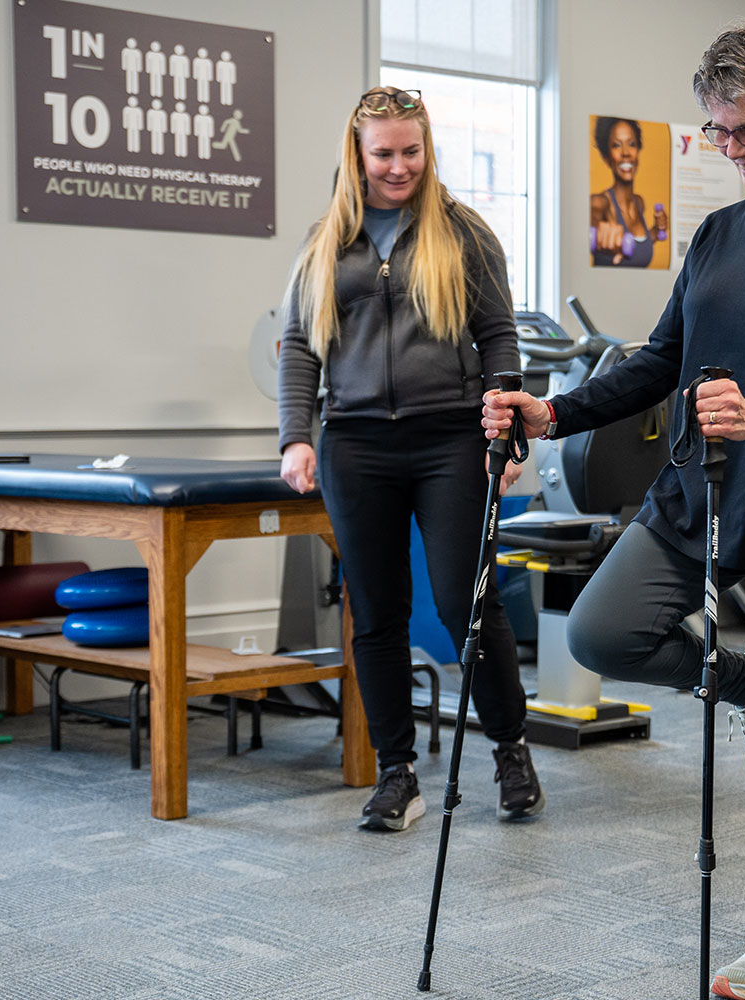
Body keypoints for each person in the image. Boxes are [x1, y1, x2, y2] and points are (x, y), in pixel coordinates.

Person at [485, 14, 745, 999]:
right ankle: (743, 685)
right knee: (602, 630)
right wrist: (555, 411)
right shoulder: (719, 232)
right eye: (718, 130)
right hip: (701, 484)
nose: (731, 148)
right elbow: (662, 360)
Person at [278, 86, 544, 833]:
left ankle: (511, 751)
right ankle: (397, 771)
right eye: (383, 154)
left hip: (449, 440)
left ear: (428, 150)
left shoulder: (463, 234)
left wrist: (504, 434)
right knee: (376, 611)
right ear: (357, 155)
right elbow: (299, 347)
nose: (399, 167)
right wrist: (296, 436)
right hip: (356, 443)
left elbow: (499, 338)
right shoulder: (326, 241)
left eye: (411, 151)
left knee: (467, 600)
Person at [589, 116, 668, 267]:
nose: (625, 152)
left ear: (637, 151)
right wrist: (600, 235)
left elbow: (637, 247)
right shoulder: (600, 203)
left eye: (631, 144)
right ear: (607, 156)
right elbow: (592, 219)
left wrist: (656, 230)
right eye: (616, 145)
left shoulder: (639, 202)